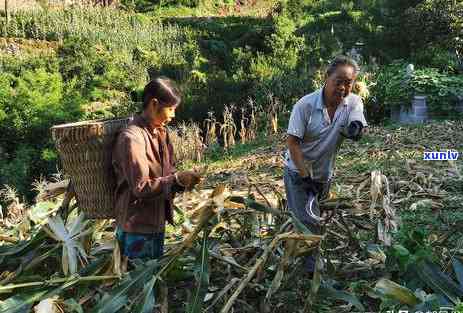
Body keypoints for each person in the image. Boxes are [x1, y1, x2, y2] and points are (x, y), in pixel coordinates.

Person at [283, 55, 368, 275]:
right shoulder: (305, 106)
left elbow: (357, 120)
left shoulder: (353, 102)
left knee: (316, 218)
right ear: (326, 77)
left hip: (323, 174)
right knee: (306, 220)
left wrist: (356, 128)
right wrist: (304, 177)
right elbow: (292, 143)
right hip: (298, 171)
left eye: (348, 83)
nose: (342, 87)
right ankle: (310, 271)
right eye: (338, 81)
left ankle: (306, 255)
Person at [112, 77, 201, 261]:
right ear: (154, 104)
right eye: (170, 109)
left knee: (153, 277)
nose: (173, 116)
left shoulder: (160, 132)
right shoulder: (132, 138)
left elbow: (168, 171)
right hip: (137, 228)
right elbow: (141, 187)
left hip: (155, 222)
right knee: (139, 284)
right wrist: (176, 180)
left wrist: (184, 179)